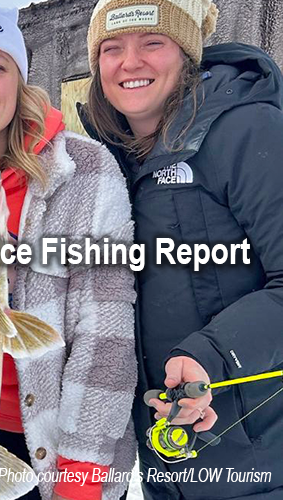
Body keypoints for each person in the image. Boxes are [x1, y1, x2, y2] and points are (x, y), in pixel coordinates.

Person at [0, 2, 138, 499]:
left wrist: (81, 480)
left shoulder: (87, 171)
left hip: (61, 454)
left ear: (20, 78)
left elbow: (107, 341)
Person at [82, 0, 283, 497]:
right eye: (112, 48)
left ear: (187, 55)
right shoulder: (108, 162)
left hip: (258, 462)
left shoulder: (248, 131)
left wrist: (211, 353)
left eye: (153, 42)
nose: (131, 63)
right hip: (166, 465)